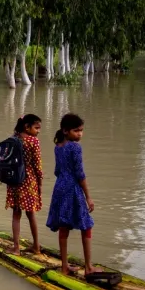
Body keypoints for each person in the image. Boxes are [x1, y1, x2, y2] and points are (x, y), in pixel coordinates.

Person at [45, 113, 102, 279]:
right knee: (86, 225)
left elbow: (57, 171)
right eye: (76, 131)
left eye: (81, 131)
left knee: (64, 227)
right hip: (72, 188)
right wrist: (88, 197)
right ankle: (89, 267)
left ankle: (64, 266)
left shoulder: (59, 147)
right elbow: (80, 173)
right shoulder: (75, 148)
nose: (80, 134)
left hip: (60, 187)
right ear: (65, 131)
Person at [5, 114, 44, 256]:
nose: (38, 131)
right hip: (29, 181)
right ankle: (36, 246)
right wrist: (40, 183)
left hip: (15, 179)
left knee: (16, 214)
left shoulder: (15, 138)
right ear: (27, 127)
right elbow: (38, 166)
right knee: (31, 213)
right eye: (36, 128)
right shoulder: (34, 141)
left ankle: (16, 248)